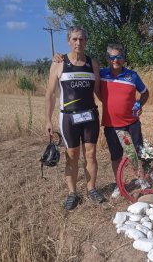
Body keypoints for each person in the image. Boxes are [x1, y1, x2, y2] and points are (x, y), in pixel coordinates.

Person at [45, 26, 105, 210]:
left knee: (91, 154)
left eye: (81, 39)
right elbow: (50, 94)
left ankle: (92, 189)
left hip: (90, 116)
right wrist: (48, 120)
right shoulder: (58, 63)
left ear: (86, 41)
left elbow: (99, 92)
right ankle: (72, 193)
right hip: (68, 118)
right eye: (74, 39)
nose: (78, 42)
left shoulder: (92, 63)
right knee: (72, 156)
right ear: (69, 41)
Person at [100, 43, 149, 198]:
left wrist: (139, 104)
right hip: (111, 125)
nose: (116, 60)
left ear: (124, 58)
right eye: (112, 57)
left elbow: (145, 92)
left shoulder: (132, 75)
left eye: (119, 57)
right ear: (107, 58)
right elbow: (83, 67)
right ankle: (119, 184)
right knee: (116, 157)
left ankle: (141, 179)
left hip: (132, 122)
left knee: (137, 152)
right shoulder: (101, 74)